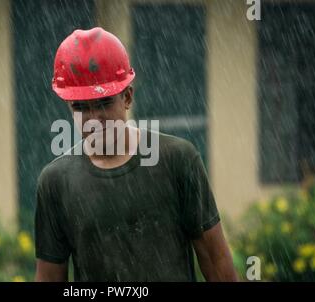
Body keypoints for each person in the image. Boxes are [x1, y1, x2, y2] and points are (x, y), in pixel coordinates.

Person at [34, 27, 237, 282]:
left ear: (127, 97)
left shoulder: (177, 160)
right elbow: (50, 277)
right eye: (81, 107)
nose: (94, 118)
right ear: (68, 106)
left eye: (105, 102)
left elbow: (215, 260)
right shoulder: (55, 182)